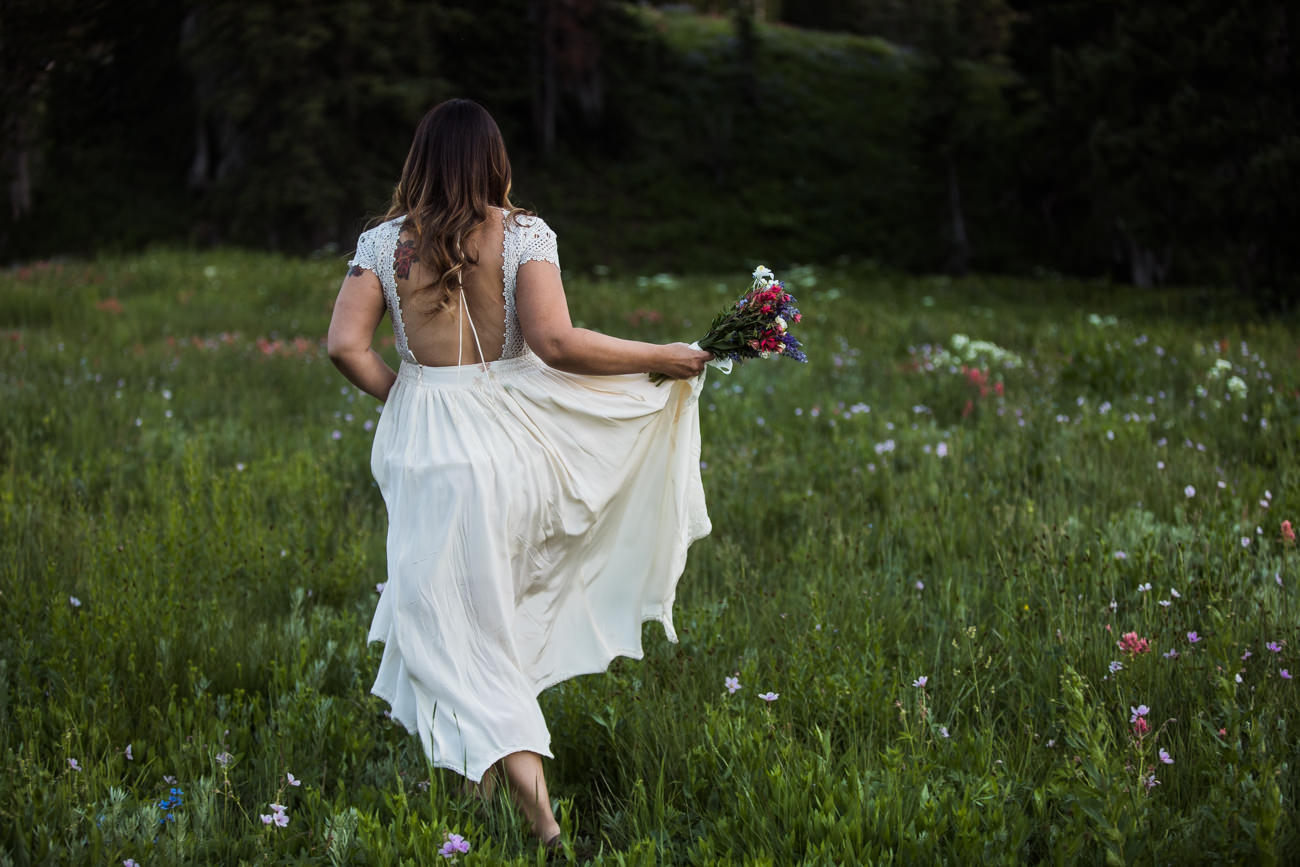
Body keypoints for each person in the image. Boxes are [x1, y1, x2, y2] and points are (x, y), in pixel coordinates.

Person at [326, 98, 713, 849]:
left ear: (420, 161)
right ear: (494, 160)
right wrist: (659, 356)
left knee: (455, 630)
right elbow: (557, 342)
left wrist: (406, 397)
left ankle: (541, 824)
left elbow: (345, 345)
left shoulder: (382, 245)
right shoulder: (524, 234)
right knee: (470, 625)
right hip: (507, 450)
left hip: (425, 450)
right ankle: (483, 802)